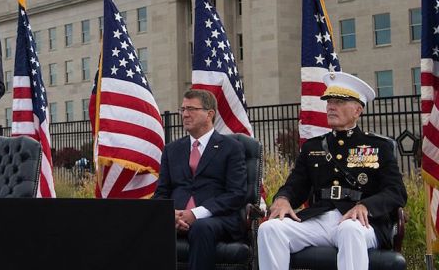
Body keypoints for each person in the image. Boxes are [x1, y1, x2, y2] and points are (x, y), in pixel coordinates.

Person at [258, 72, 407, 270]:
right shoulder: (313, 147)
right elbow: (295, 185)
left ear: (357, 110)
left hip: (362, 223)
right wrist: (283, 198)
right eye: (329, 101)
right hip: (319, 219)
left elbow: (396, 192)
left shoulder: (378, 146)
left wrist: (365, 206)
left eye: (339, 101)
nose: (330, 106)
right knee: (270, 228)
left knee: (349, 230)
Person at [153, 89, 247, 270]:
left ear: (209, 114)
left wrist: (195, 214)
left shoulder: (231, 148)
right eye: (182, 109)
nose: (185, 114)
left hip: (216, 217)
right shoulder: (171, 150)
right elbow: (161, 193)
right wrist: (171, 215)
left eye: (191, 109)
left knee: (201, 228)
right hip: (176, 217)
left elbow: (236, 194)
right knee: (145, 224)